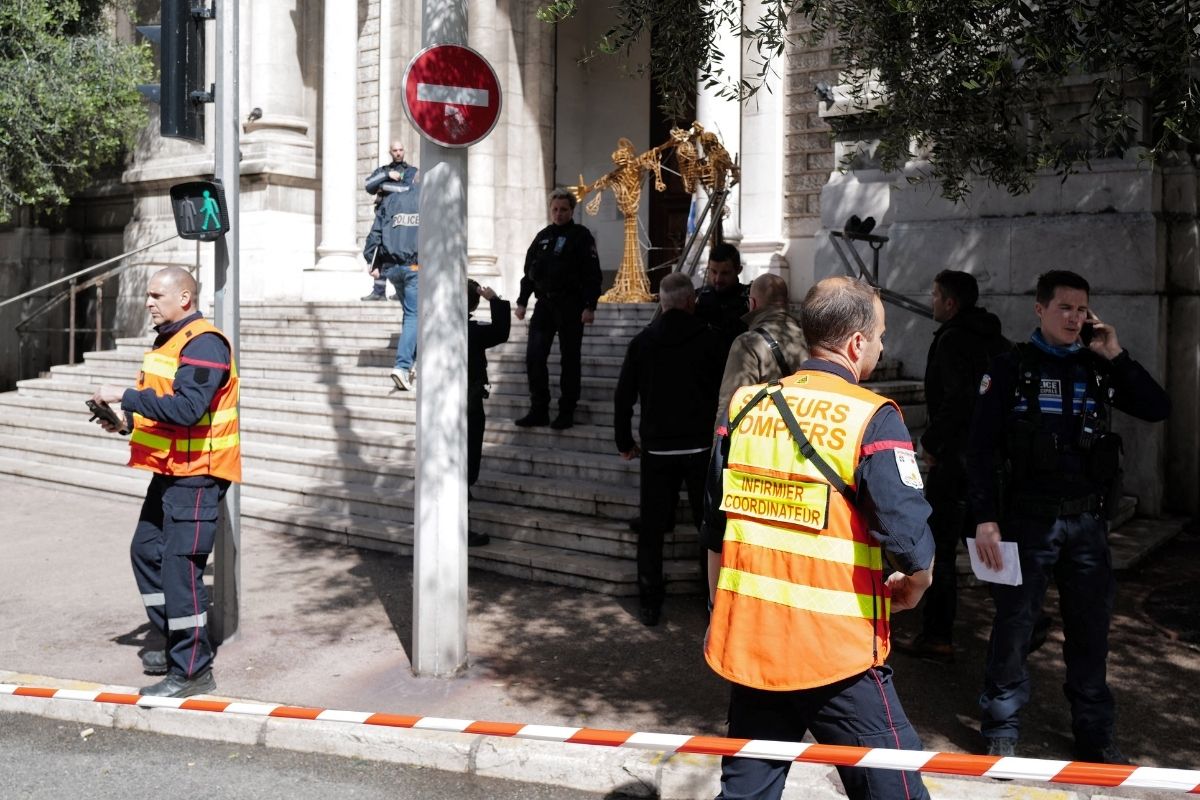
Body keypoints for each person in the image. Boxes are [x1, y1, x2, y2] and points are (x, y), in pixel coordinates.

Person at [703, 276, 935, 800]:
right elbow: (910, 541)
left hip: (755, 641)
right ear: (856, 344)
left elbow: (715, 530)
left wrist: (723, 613)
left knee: (746, 793)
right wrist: (918, 581)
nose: (881, 346)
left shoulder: (743, 408)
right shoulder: (872, 418)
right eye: (880, 337)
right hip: (837, 652)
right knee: (895, 790)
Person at [967, 270, 1168, 762]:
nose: (1075, 318)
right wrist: (984, 518)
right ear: (1040, 309)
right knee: (1015, 627)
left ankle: (1095, 732)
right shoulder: (1011, 367)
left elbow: (1157, 406)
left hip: (1086, 525)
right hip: (1026, 520)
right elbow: (979, 449)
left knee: (1090, 631)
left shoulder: (1098, 368)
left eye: (1082, 310)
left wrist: (1115, 353)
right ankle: (1001, 725)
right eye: (1065, 308)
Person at [88, 266, 240, 699]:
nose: (148, 302)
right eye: (149, 295)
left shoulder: (205, 343)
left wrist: (125, 395)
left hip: (197, 475)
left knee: (180, 569)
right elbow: (164, 406)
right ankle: (177, 644)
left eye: (156, 295)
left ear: (185, 299)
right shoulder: (171, 341)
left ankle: (193, 670)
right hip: (173, 470)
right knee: (147, 552)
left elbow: (190, 408)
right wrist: (124, 423)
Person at [895, 270, 1010, 663]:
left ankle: (938, 634)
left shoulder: (952, 341)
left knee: (941, 548)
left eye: (934, 295)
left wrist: (932, 442)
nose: (930, 301)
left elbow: (957, 399)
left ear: (950, 302)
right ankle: (1022, 613)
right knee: (978, 539)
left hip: (956, 460)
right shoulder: (994, 340)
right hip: (985, 461)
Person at [614, 272, 724, 626]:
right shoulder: (710, 340)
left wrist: (625, 441)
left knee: (651, 528)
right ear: (691, 300)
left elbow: (623, 398)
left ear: (661, 302)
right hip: (699, 447)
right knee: (705, 523)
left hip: (658, 450)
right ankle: (712, 596)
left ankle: (650, 601)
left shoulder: (643, 342)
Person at [514, 188, 602, 430]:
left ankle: (566, 411)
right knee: (534, 356)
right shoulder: (543, 236)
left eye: (564, 209)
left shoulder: (581, 236)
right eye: (555, 209)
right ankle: (539, 409)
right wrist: (522, 302)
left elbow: (592, 274)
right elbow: (529, 274)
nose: (559, 213)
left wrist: (590, 306)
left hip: (571, 305)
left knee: (570, 359)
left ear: (572, 210)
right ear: (550, 210)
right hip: (545, 305)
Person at [713, 273, 807, 432]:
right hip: (804, 440)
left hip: (763, 439)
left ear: (752, 303)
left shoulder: (748, 343)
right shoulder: (809, 338)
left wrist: (718, 447)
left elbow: (730, 404)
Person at [467, 278, 511, 547]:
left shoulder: (437, 327)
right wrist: (494, 300)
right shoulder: (471, 332)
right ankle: (462, 527)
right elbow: (501, 331)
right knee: (466, 465)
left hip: (453, 406)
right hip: (468, 405)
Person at [364, 182, 421, 390]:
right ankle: (403, 366)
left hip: (393, 269)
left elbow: (375, 234)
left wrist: (372, 261)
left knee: (411, 315)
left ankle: (412, 360)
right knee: (415, 315)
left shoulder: (390, 201)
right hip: (414, 266)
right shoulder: (426, 199)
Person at [362, 141, 419, 301]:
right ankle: (379, 291)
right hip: (384, 215)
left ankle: (399, 290)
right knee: (379, 250)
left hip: (402, 217)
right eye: (395, 150)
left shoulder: (411, 171)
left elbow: (407, 189)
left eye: (401, 149)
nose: (398, 153)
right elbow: (368, 185)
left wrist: (383, 186)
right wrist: (387, 176)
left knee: (400, 252)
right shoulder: (383, 171)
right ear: (390, 152)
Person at [695, 242, 749, 357]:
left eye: (725, 273)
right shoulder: (698, 298)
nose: (718, 279)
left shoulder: (748, 300)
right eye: (713, 272)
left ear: (738, 270)